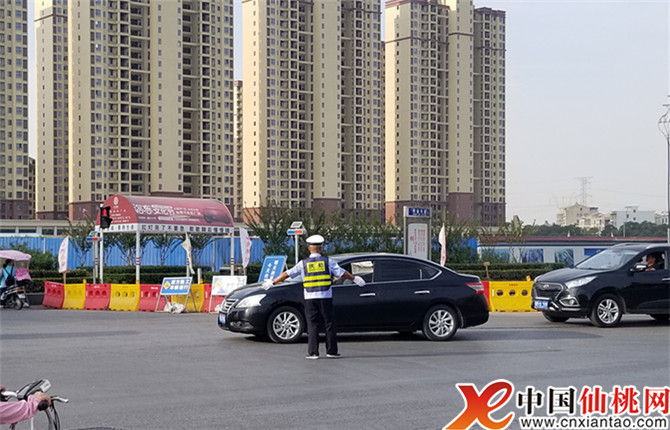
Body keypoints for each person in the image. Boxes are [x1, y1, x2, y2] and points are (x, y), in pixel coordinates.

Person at [264, 234, 366, 359]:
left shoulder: (303, 263)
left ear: (309, 248)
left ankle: (313, 352)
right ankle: (331, 351)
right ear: (321, 248)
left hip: (310, 298)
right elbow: (342, 273)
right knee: (329, 323)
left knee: (312, 324)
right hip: (325, 296)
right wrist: (354, 278)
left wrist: (273, 282)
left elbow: (287, 274)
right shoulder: (328, 261)